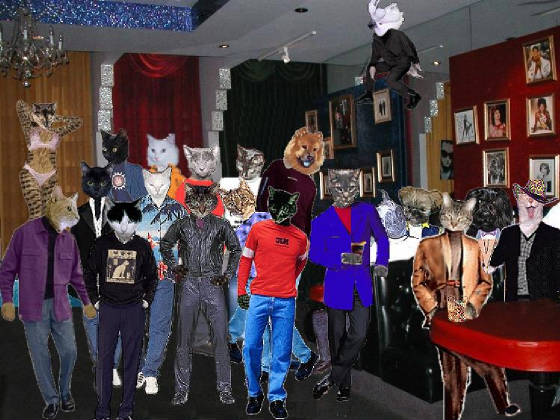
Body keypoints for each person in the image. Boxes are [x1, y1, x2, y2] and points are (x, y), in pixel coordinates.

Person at [310, 169, 389, 403]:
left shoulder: (367, 211)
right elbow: (315, 254)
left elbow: (382, 238)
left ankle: (332, 378)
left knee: (359, 334)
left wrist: (382, 262)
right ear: (331, 188)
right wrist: (340, 259)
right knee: (336, 336)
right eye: (340, 189)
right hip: (336, 284)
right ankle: (344, 385)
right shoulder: (322, 220)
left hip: (361, 282)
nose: (346, 194)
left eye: (351, 189)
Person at [489, 179, 560, 419]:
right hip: (514, 305)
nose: (530, 207)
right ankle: (519, 394)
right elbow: (492, 262)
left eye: (535, 203)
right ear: (518, 205)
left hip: (543, 307)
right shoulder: (508, 234)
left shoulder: (554, 236)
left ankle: (544, 394)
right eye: (525, 202)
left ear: (542, 207)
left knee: (541, 356)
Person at [238, 187, 309, 419]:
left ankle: (277, 397)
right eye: (274, 207)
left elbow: (301, 263)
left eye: (285, 208)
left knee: (281, 350)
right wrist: (241, 291)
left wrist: (286, 281)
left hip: (285, 301)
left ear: (293, 208)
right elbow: (245, 261)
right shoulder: (258, 230)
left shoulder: (300, 238)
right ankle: (254, 393)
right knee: (250, 347)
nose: (279, 212)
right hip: (258, 297)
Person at [357, 0, 422, 109]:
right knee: (370, 68)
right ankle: (368, 93)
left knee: (391, 80)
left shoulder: (397, 35)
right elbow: (375, 56)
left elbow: (409, 46)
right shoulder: (377, 40)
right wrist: (373, 65)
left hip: (402, 63)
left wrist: (415, 62)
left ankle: (413, 95)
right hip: (390, 63)